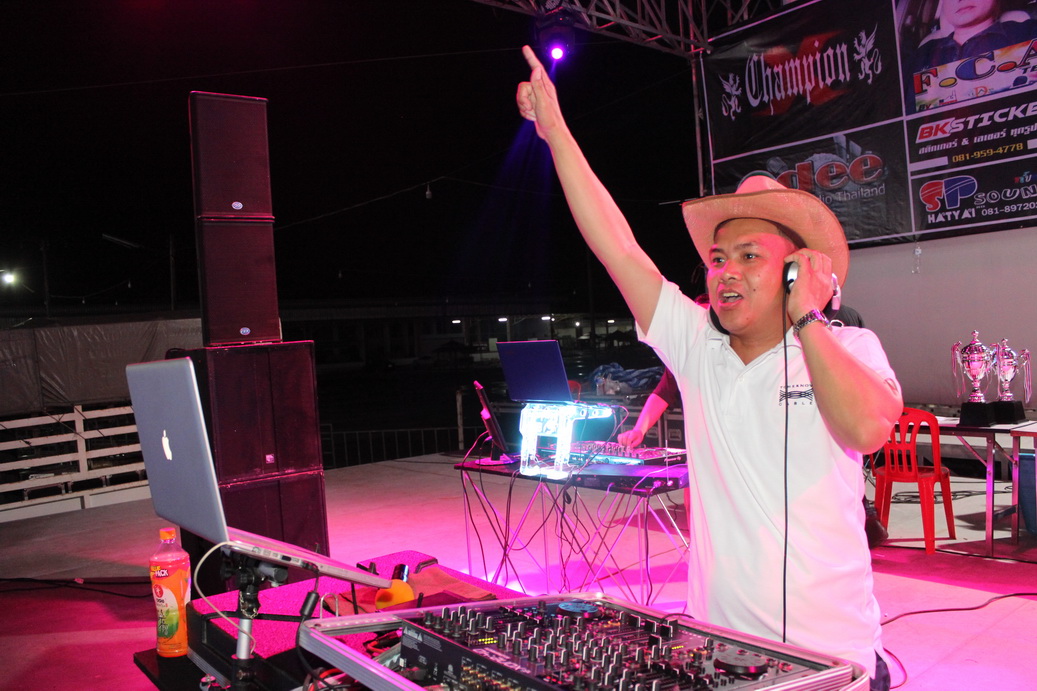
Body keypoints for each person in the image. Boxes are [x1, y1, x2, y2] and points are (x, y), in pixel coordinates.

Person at [515, 45, 902, 690]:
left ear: (794, 271)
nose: (725, 272)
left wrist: (808, 317)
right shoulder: (697, 346)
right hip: (719, 659)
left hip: (836, 665)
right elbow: (618, 248)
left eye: (749, 256)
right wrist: (556, 133)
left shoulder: (849, 348)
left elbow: (866, 428)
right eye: (718, 259)